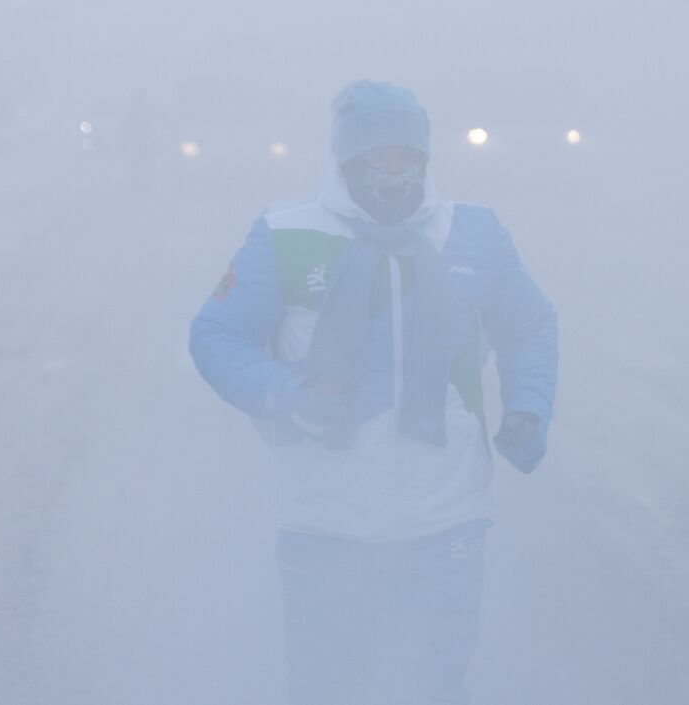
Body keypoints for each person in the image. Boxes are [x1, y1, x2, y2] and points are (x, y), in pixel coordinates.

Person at [189, 80, 558, 705]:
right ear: (348, 157)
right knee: (327, 684)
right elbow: (216, 336)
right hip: (324, 518)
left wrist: (528, 405)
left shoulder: (474, 233)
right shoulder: (284, 235)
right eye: (380, 154)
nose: (397, 169)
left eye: (408, 154)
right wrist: (287, 392)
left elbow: (528, 325)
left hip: (447, 513)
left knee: (434, 682)